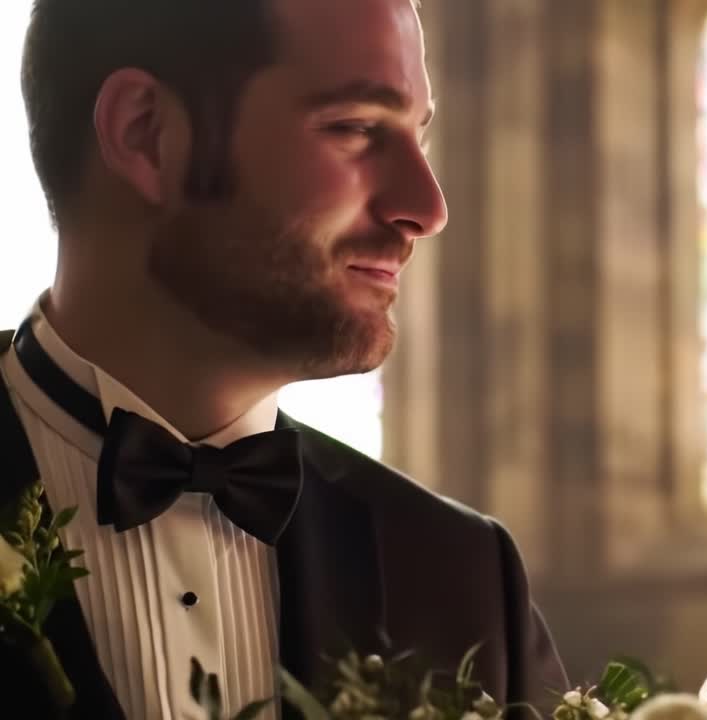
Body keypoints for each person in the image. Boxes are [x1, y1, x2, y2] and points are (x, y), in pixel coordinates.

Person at [0, 0, 565, 717]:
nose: (426, 206)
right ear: (147, 134)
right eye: (357, 128)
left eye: (419, 136)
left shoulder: (463, 574)